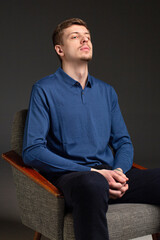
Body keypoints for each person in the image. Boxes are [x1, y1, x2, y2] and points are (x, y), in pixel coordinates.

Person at [22, 18, 160, 240]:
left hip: (110, 173)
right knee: (92, 183)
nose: (85, 38)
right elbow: (32, 151)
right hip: (72, 176)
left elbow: (123, 142)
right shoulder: (43, 89)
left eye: (87, 35)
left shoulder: (107, 91)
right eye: (75, 36)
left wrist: (118, 172)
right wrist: (93, 173)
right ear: (60, 49)